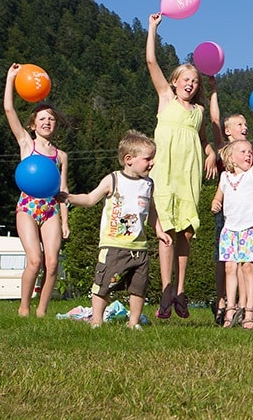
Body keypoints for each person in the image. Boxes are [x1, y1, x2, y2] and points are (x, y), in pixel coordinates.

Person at [60, 131, 171, 328]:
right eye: (148, 159)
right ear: (129, 159)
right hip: (113, 246)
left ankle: (133, 323)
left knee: (138, 288)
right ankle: (96, 320)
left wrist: (159, 231)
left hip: (140, 248)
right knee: (103, 285)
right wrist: (68, 197)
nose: (152, 163)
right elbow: (90, 198)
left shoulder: (148, 184)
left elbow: (151, 209)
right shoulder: (113, 180)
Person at [146, 13, 217, 320]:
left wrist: (211, 153)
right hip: (164, 173)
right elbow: (151, 62)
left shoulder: (199, 110)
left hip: (189, 175)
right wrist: (152, 29)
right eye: (185, 80)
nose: (190, 84)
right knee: (166, 231)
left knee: (186, 232)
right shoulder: (165, 98)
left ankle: (182, 290)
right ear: (174, 82)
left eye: (194, 81)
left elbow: (204, 140)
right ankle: (165, 289)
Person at [207, 77, 253, 326]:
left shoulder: (252, 173)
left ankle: (249, 310)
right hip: (229, 230)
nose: (249, 153)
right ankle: (230, 309)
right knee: (229, 269)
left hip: (247, 229)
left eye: (250, 152)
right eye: (244, 152)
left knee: (247, 268)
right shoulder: (225, 176)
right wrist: (215, 203)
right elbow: (218, 196)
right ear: (230, 156)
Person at [4, 63, 69, 317]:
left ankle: (42, 312)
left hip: (50, 209)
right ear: (33, 125)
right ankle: (24, 308)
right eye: (42, 119)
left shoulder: (61, 155)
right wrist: (11, 79)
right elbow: (9, 109)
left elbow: (63, 191)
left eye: (51, 119)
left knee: (52, 264)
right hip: (28, 207)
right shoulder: (25, 143)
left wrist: (65, 221)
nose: (47, 122)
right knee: (35, 260)